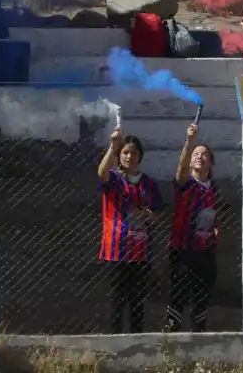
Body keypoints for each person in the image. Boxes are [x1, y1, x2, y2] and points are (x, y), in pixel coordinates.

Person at [97, 128, 164, 334]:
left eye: (133, 153)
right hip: (116, 248)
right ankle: (115, 340)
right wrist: (112, 145)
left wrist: (148, 215)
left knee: (137, 300)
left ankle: (136, 338)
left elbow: (157, 214)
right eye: (125, 152)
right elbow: (101, 172)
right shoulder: (114, 179)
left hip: (140, 249)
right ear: (120, 155)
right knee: (117, 299)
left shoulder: (148, 184)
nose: (129, 156)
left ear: (140, 156)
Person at [165, 123, 220, 332]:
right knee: (179, 289)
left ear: (210, 162)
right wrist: (190, 141)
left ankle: (199, 328)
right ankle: (172, 329)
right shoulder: (186, 184)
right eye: (196, 153)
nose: (199, 156)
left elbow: (215, 214)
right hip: (182, 248)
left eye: (204, 154)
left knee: (202, 291)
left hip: (205, 249)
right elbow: (180, 170)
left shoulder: (214, 188)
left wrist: (216, 229)